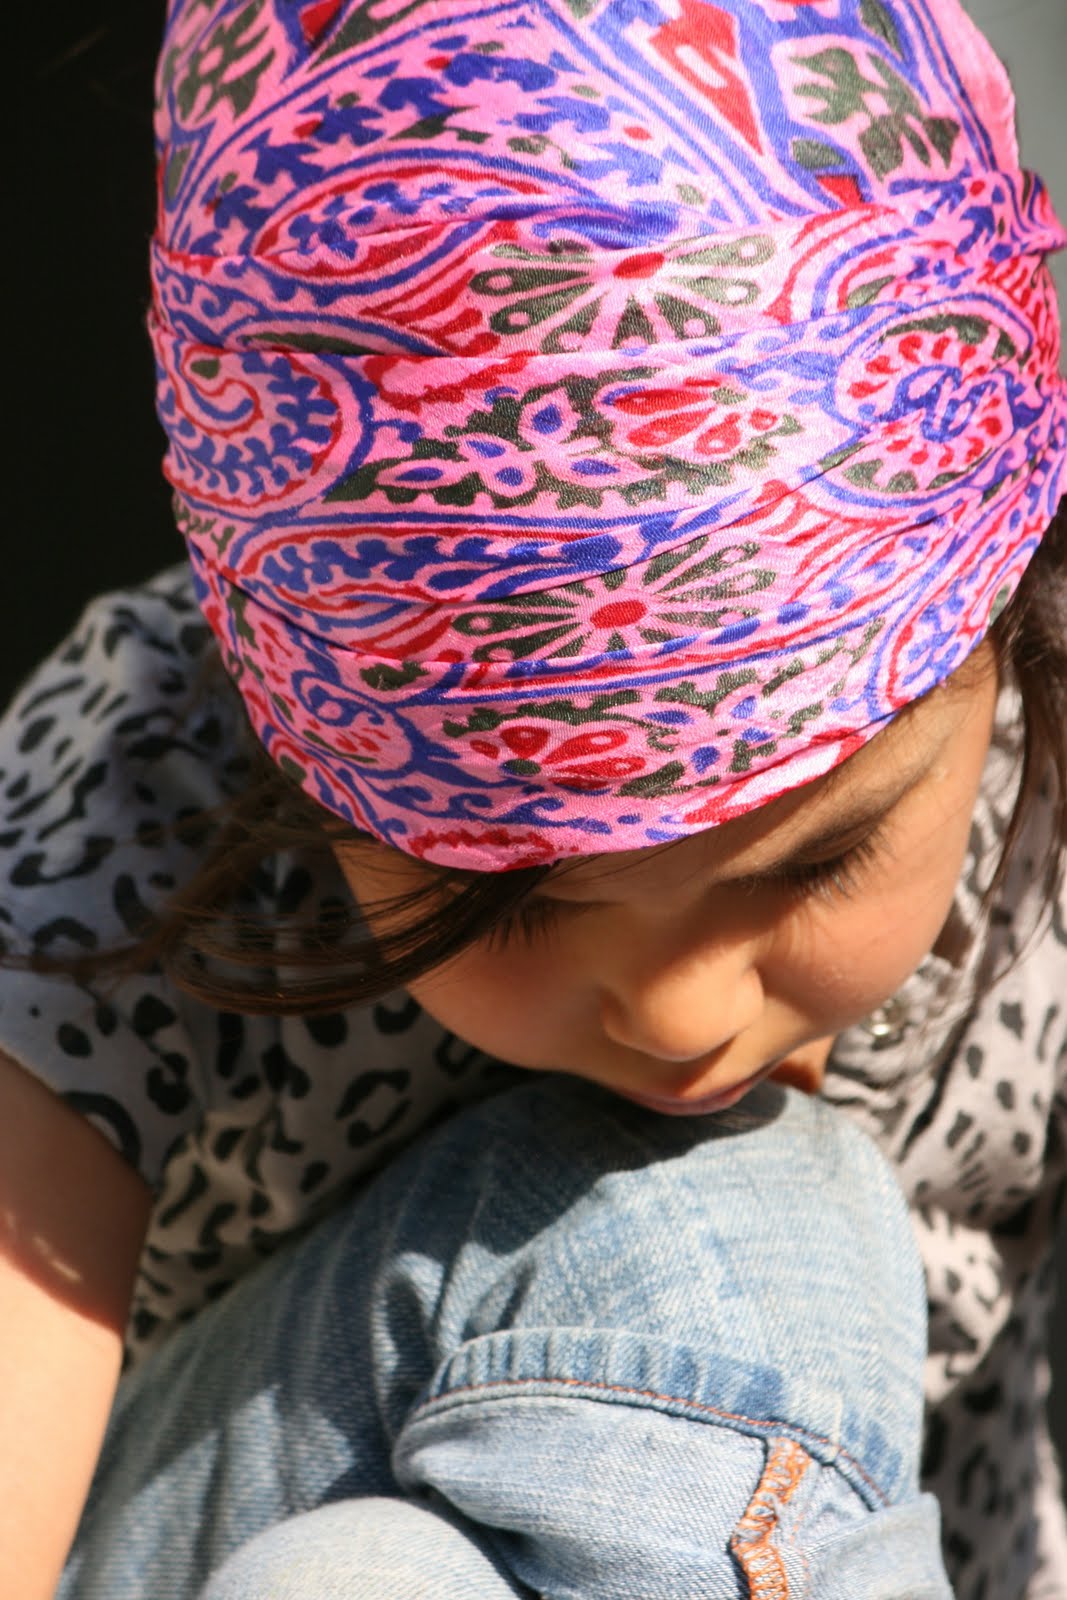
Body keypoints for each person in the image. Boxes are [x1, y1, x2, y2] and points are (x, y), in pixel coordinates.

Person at [0, 0, 1064, 1595]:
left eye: (812, 861)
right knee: (715, 1233)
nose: (680, 1011)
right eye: (504, 898)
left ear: (1018, 615)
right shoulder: (140, 789)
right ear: (288, 753)